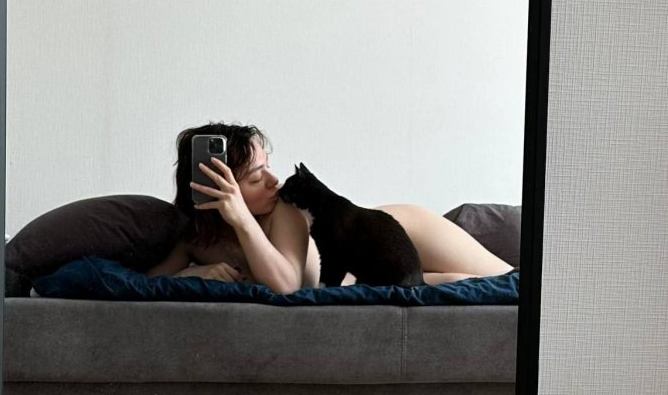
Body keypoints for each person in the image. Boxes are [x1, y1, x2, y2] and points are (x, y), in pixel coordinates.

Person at [147, 123, 514, 291]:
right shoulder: (197, 237)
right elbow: (146, 284)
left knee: (512, 283)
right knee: (458, 285)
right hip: (369, 271)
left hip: (394, 231)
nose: (274, 181)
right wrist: (195, 273)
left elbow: (286, 284)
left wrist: (242, 218)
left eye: (269, 168)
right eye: (256, 179)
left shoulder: (283, 211)